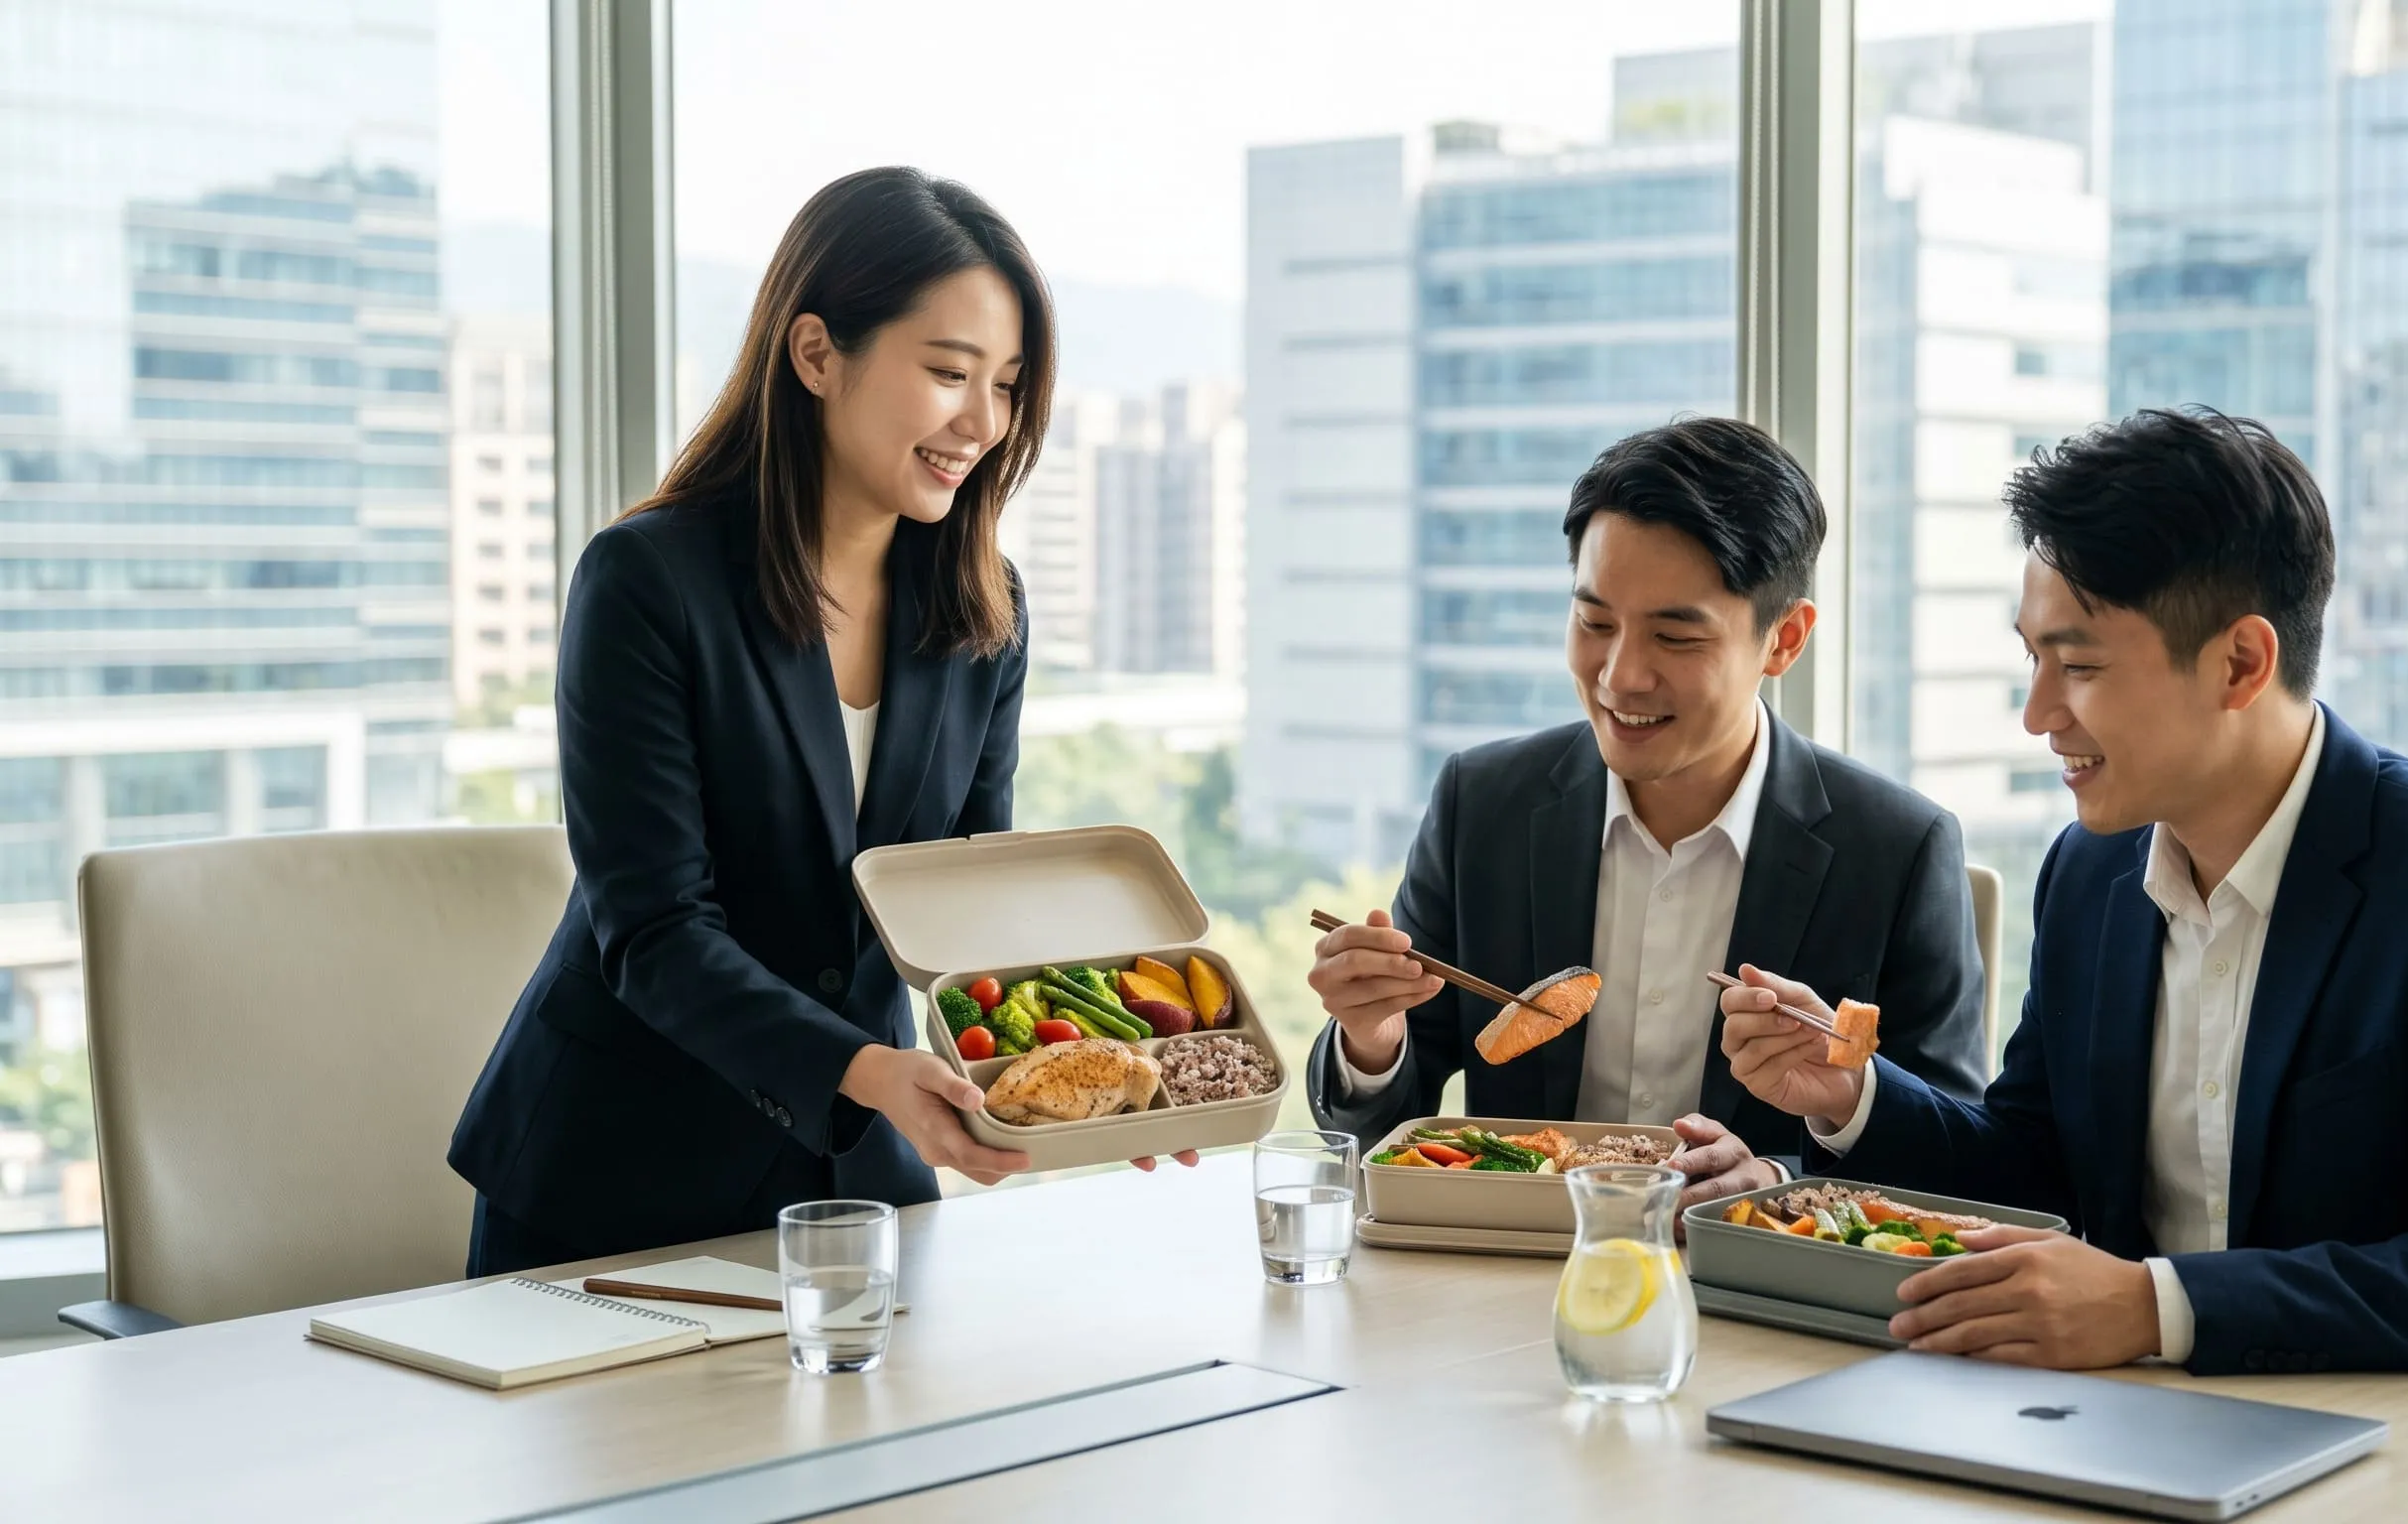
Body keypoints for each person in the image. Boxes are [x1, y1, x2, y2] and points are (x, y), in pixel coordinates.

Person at [1718, 407, 2408, 1375]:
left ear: (2240, 664)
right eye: (2033, 658)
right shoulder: (2091, 873)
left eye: (2079, 666)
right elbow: (2036, 1162)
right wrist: (1856, 1095)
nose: (2038, 714)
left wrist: (2156, 1307)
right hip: (2144, 1416)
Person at [450, 169, 1185, 1277]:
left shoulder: (984, 607)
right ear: (814, 354)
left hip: (858, 1175)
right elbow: (654, 931)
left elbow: (963, 901)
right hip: (614, 1174)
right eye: (949, 373)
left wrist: (1098, 1065)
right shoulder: (647, 581)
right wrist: (866, 1071)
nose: (983, 423)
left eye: (1006, 386)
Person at [1306, 418, 1989, 1207]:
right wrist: (1372, 1038)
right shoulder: (1483, 805)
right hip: (1514, 1261)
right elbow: (1380, 1125)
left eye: (1675, 636)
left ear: (1784, 640)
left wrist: (1778, 1180)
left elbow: (1954, 1152)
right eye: (1595, 623)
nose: (1621, 676)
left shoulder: (1897, 849)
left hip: (1747, 1270)